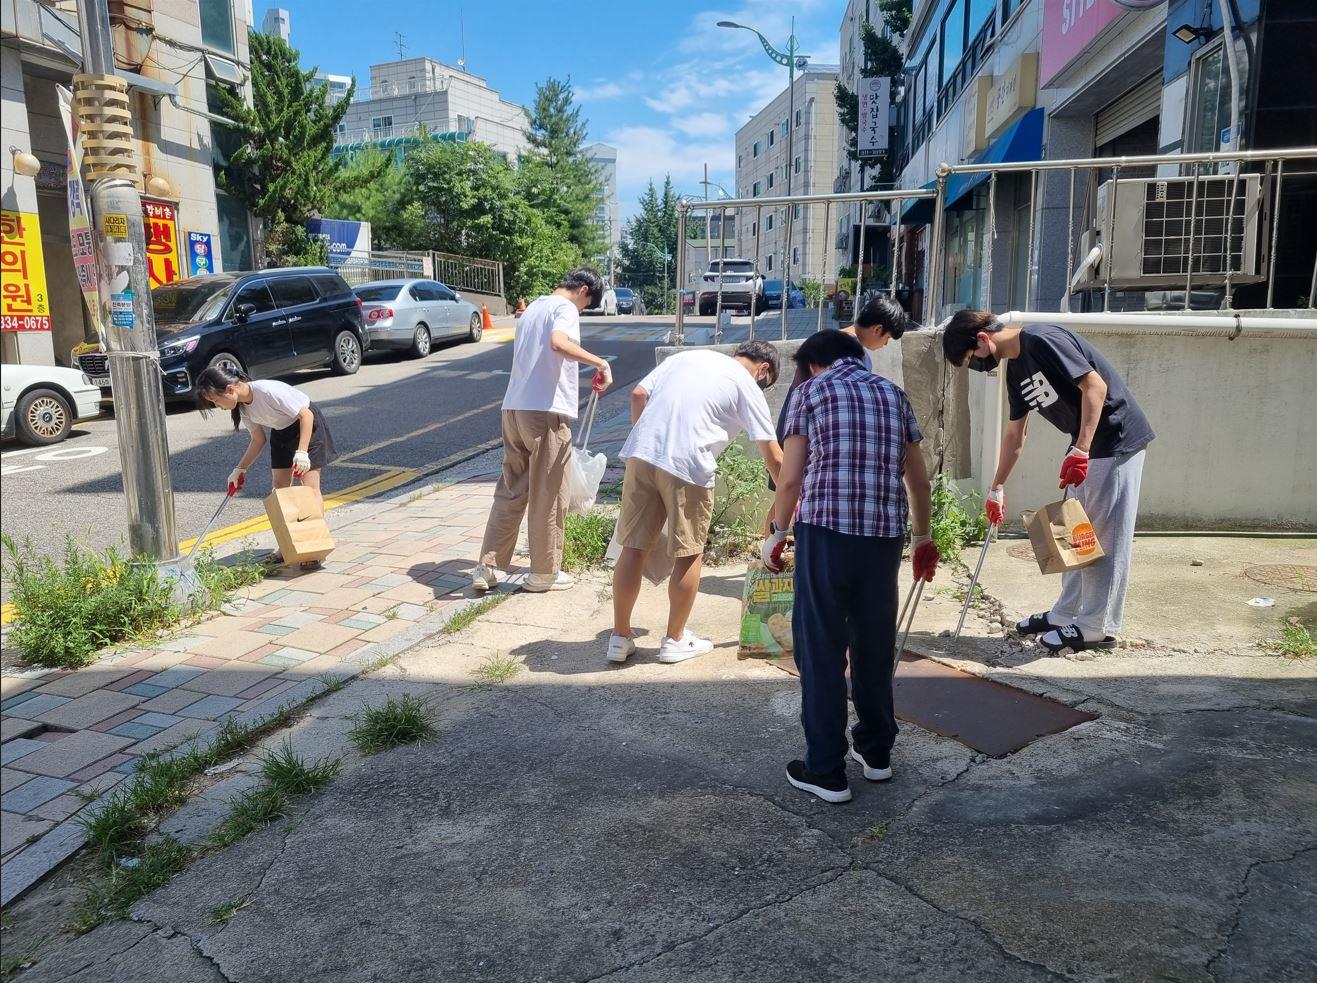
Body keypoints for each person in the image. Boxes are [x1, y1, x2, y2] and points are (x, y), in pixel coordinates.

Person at [762, 331, 937, 804]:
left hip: (825, 534)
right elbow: (918, 480)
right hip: (883, 538)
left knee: (821, 649)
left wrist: (777, 533)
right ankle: (877, 753)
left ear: (813, 363)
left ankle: (825, 769)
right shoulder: (893, 394)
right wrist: (923, 537)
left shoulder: (811, 392)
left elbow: (791, 477)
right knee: (874, 642)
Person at [941, 310, 1154, 654]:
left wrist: (1082, 448)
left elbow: (1095, 386)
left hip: (1114, 439)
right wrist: (997, 487)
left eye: (972, 359)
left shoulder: (1041, 339)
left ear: (983, 339)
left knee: (1104, 534)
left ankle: (1095, 626)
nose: (978, 366)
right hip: (1084, 446)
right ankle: (1067, 612)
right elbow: (1015, 435)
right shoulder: (1016, 372)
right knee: (1076, 530)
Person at [609, 341, 784, 664]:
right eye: (766, 383)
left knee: (633, 547)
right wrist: (791, 496)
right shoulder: (747, 384)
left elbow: (638, 395)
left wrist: (653, 442)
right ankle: (675, 639)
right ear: (764, 370)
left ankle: (619, 637)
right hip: (688, 464)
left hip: (642, 452)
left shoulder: (687, 357)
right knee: (689, 552)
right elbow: (773, 457)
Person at [473, 268, 613, 594]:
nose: (581, 311)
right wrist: (600, 364)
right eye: (585, 305)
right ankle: (544, 573)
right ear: (582, 290)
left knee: (511, 488)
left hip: (514, 408)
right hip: (545, 412)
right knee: (549, 494)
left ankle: (487, 567)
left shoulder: (533, 308)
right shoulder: (563, 308)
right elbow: (558, 343)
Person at [195, 366, 336, 570]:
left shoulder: (267, 391)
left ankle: (313, 547)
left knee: (310, 486)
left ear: (229, 389)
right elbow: (258, 440)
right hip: (282, 432)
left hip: (306, 427)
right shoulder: (243, 409)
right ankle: (288, 544)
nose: (218, 406)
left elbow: (306, 415)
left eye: (216, 401)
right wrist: (240, 469)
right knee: (279, 488)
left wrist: (302, 452)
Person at [841, 295, 911, 372]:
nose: (885, 344)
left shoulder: (831, 339)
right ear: (877, 329)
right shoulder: (853, 354)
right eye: (887, 337)